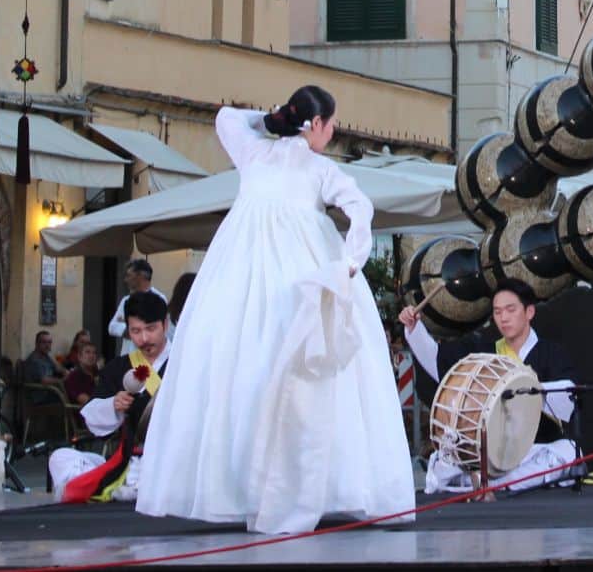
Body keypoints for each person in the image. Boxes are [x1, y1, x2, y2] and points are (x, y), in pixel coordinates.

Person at [136, 86, 414, 533]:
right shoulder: (320, 168)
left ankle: (240, 487)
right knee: (315, 375)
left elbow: (227, 116)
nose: (334, 130)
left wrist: (270, 119)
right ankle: (321, 486)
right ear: (318, 125)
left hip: (241, 268)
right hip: (302, 267)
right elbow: (360, 208)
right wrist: (348, 263)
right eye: (330, 122)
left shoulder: (254, 153)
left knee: (239, 370)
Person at [401, 280, 582, 494]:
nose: (503, 318)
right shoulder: (484, 352)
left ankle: (485, 483)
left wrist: (527, 386)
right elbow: (438, 363)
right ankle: (485, 479)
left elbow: (568, 390)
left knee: (570, 453)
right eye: (497, 312)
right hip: (488, 452)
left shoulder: (551, 353)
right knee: (443, 460)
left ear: (529, 311)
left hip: (533, 449)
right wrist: (414, 329)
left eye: (510, 310)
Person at [50, 291, 170, 504]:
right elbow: (92, 417)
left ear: (165, 325)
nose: (144, 339)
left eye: (151, 329)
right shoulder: (120, 367)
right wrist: (114, 404)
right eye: (136, 331)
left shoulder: (183, 362)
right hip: (130, 461)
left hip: (174, 459)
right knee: (59, 457)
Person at [108, 261, 166, 357]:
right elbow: (112, 327)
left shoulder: (159, 299)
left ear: (140, 276)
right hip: (128, 356)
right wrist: (131, 329)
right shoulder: (126, 300)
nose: (126, 280)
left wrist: (128, 325)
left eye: (129, 275)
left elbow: (155, 328)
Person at [63, 340, 101, 407]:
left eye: (94, 353)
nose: (91, 356)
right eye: (87, 352)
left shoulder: (99, 374)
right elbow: (85, 401)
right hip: (85, 412)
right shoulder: (74, 377)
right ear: (79, 357)